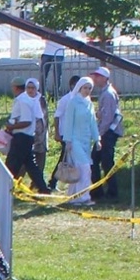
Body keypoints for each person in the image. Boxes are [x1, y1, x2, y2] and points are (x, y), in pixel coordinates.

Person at [54, 77, 98, 205]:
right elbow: (68, 123)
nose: (87, 90)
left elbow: (93, 123)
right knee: (85, 168)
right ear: (79, 88)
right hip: (74, 140)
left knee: (78, 169)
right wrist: (67, 141)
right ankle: (84, 197)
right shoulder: (73, 102)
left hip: (86, 140)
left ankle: (73, 196)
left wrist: (97, 139)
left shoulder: (89, 103)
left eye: (90, 88)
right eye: (85, 88)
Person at [0, 78, 46, 192]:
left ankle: (4, 189)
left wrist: (11, 127)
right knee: (30, 165)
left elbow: (27, 121)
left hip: (22, 137)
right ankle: (43, 188)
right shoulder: (28, 100)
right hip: (26, 137)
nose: (30, 90)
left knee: (11, 165)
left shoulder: (24, 101)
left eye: (33, 88)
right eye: (28, 88)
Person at [91, 66, 124, 202]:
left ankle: (109, 191)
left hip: (108, 132)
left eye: (98, 76)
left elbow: (107, 118)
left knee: (104, 162)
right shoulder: (107, 92)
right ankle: (100, 191)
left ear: (105, 78)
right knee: (101, 161)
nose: (96, 78)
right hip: (107, 131)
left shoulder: (108, 94)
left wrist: (99, 134)